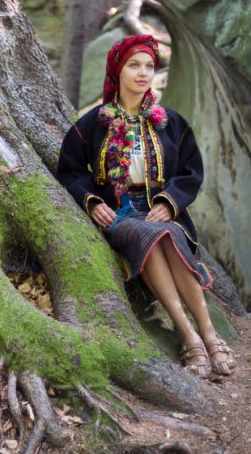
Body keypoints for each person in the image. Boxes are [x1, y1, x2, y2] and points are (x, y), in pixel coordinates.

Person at [57, 34, 235, 378]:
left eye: (149, 66)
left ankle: (209, 335)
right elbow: (70, 170)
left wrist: (171, 204)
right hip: (121, 215)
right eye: (133, 65)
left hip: (161, 212)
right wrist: (91, 202)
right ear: (117, 71)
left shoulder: (170, 122)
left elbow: (191, 172)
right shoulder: (93, 123)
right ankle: (190, 338)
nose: (142, 73)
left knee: (166, 233)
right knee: (149, 236)